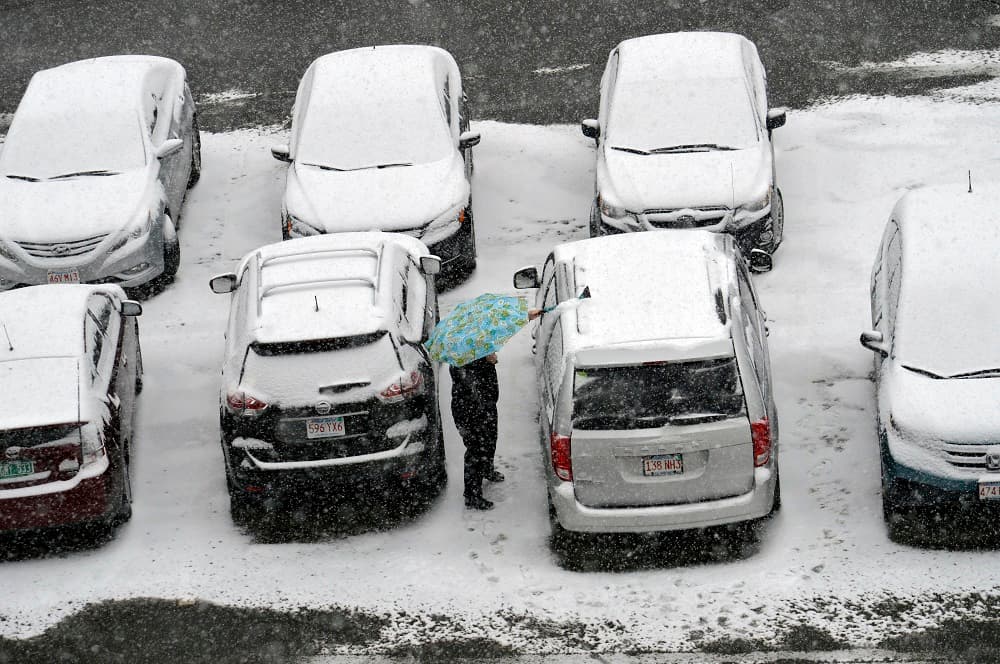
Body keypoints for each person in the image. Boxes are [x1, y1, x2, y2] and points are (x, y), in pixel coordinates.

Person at [450, 308, 542, 510]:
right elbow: (472, 390)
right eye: (489, 348)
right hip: (471, 411)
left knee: (490, 439)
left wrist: (527, 316)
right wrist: (487, 361)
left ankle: (487, 469)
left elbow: (504, 326)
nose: (494, 349)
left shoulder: (478, 346)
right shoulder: (464, 361)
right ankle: (472, 495)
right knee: (475, 449)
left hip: (486, 406)